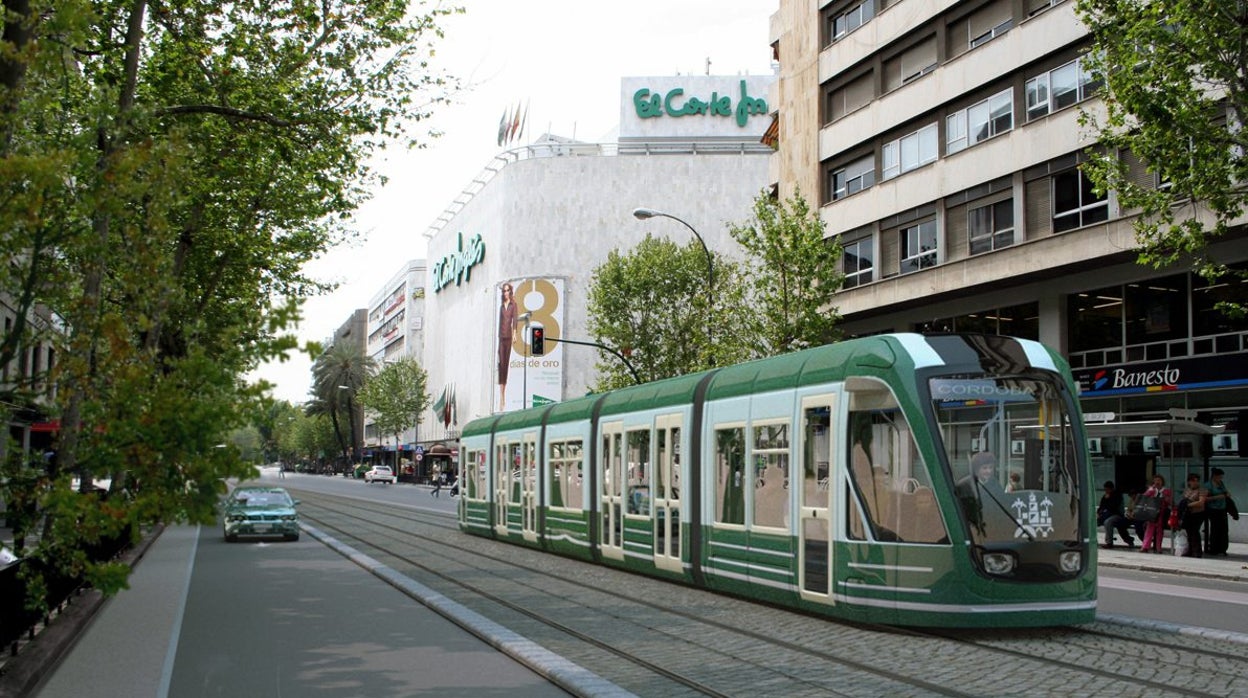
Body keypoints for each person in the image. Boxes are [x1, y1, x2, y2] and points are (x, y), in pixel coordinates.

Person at [496, 282, 518, 410]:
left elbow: (515, 320)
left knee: (506, 364)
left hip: (509, 337)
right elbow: (500, 322)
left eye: (507, 290)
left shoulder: (513, 305)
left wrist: (515, 334)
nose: (505, 293)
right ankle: (501, 396)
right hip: (501, 337)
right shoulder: (501, 307)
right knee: (501, 364)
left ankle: (504, 396)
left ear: (510, 291)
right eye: (504, 291)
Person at [1097, 480, 1135, 549]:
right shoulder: (1105, 497)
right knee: (1095, 521)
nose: (1106, 491)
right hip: (1106, 515)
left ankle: (1109, 542)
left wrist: (1107, 500)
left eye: (1108, 489)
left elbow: (1113, 507)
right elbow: (1101, 507)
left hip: (1116, 515)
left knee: (1108, 522)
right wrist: (1099, 513)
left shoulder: (1117, 495)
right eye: (1105, 490)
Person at [1177, 473, 1208, 558]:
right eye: (1193, 480)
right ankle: (1190, 550)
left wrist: (1189, 504)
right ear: (1189, 481)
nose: (1195, 482)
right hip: (1188, 514)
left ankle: (1197, 551)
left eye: (1197, 480)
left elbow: (1201, 502)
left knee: (1195, 531)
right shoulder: (1187, 490)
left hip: (1198, 513)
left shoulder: (1202, 490)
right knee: (1189, 532)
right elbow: (1183, 500)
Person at [1138, 475, 1170, 554]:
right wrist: (1151, 489)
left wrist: (1165, 498)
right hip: (1152, 511)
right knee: (1150, 528)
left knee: (1159, 530)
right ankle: (1145, 546)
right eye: (1155, 480)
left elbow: (1169, 501)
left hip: (1161, 512)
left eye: (1159, 480)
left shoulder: (1166, 491)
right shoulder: (1152, 490)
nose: (1157, 482)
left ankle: (1158, 547)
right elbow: (1144, 497)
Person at [1203, 468, 1231, 556]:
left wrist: (1227, 494)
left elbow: (1226, 492)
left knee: (1224, 529)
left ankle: (1222, 548)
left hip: (1222, 509)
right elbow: (1205, 499)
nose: (1221, 479)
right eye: (1219, 477)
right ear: (1214, 476)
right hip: (1213, 509)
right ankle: (1213, 548)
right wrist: (1217, 497)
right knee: (1215, 529)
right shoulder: (1208, 485)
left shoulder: (1221, 484)